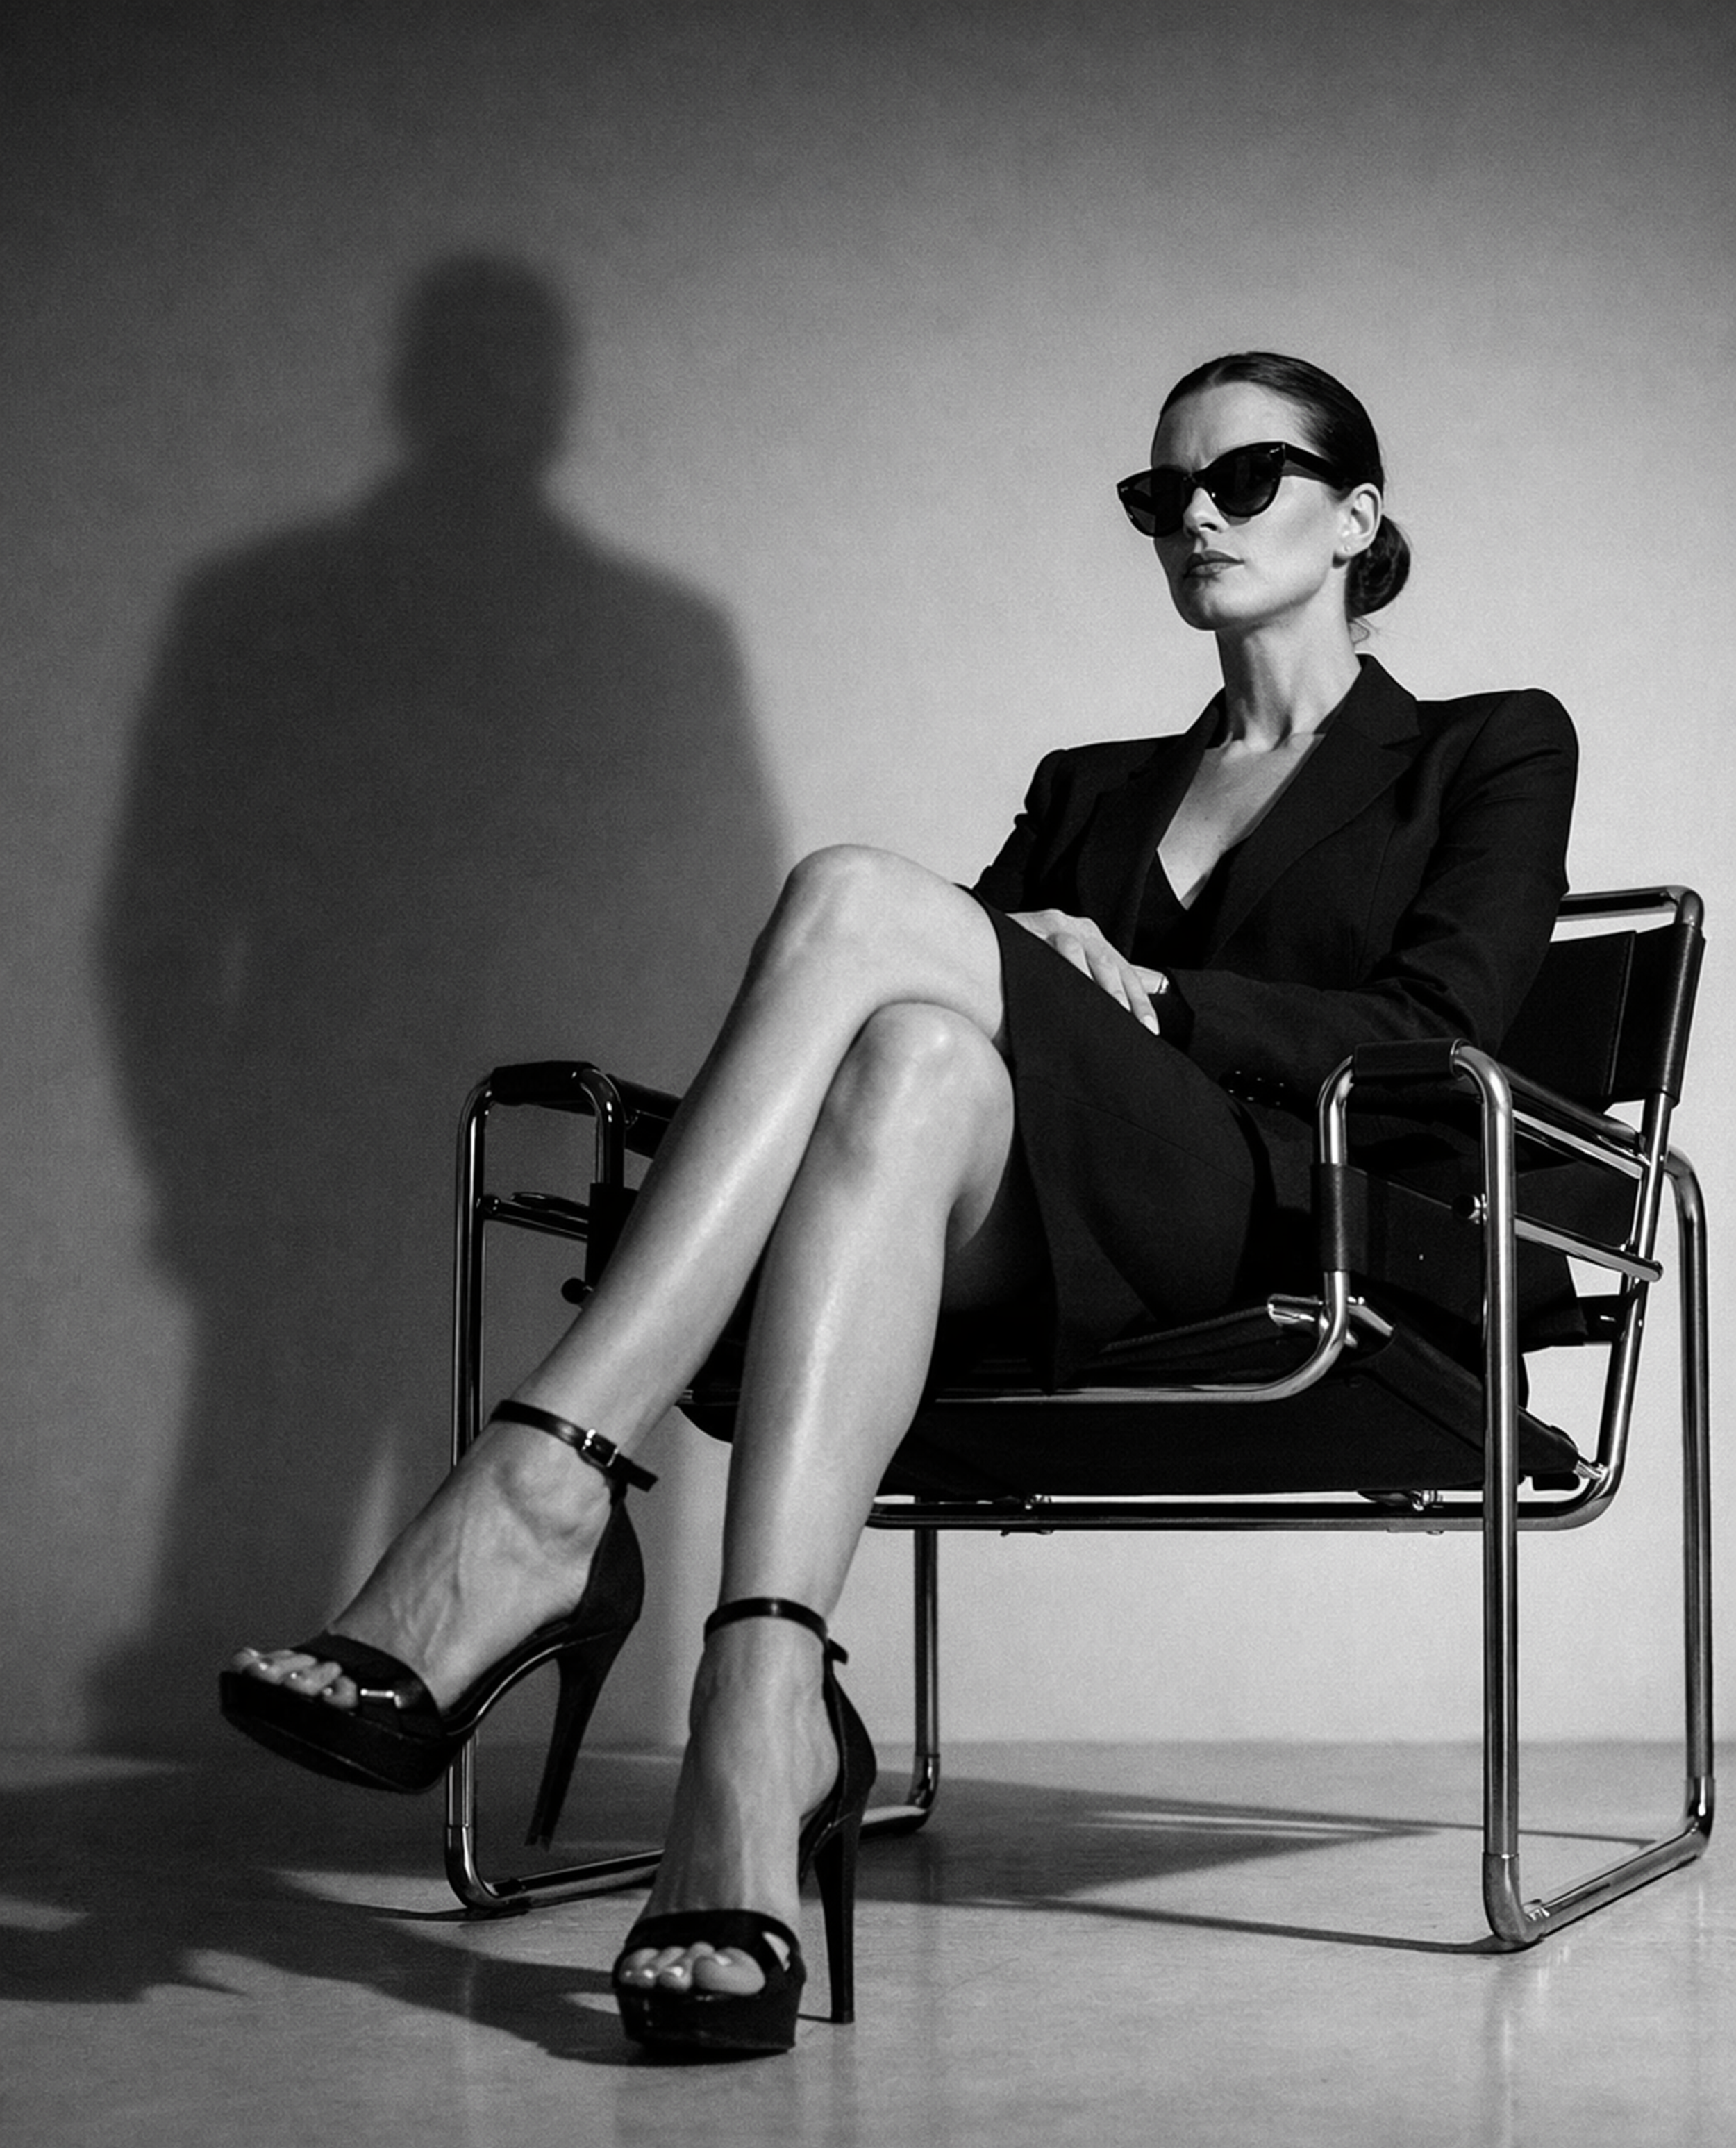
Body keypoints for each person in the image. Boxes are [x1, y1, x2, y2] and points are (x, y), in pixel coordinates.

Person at [221, 351, 1577, 2058]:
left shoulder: (1483, 748)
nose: (1195, 520)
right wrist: (1040, 978)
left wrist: (1144, 996)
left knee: (861, 896)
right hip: (1034, 1236)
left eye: (1243, 481)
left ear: (1354, 515)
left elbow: (1434, 1029)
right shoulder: (1090, 783)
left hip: (1268, 1223)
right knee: (914, 1062)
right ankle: (762, 1704)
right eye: (1160, 497)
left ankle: (539, 1496)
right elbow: (921, 1012)